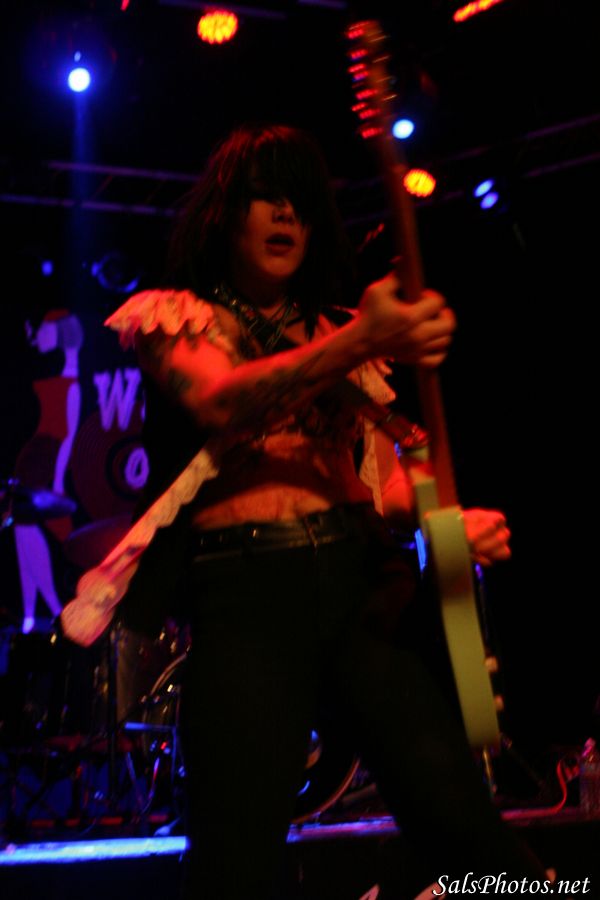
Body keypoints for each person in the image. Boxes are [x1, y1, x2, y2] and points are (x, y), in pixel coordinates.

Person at [94, 124, 546, 898]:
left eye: (300, 202)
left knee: (463, 822)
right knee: (235, 864)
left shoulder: (340, 331)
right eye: (264, 197)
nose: (285, 214)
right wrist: (365, 337)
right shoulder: (174, 318)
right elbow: (221, 400)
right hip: (246, 598)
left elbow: (384, 483)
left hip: (354, 588)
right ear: (225, 216)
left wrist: (446, 525)